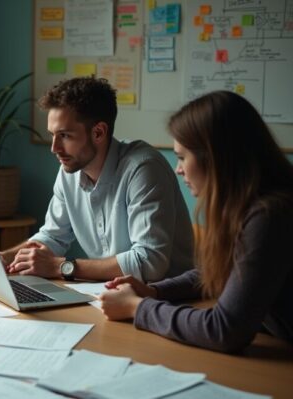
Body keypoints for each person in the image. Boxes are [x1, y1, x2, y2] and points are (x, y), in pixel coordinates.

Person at [99, 91, 293, 352]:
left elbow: (225, 330)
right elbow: (219, 271)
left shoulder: (270, 216)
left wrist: (137, 307)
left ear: (215, 158)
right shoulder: (246, 205)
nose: (178, 169)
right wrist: (153, 292)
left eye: (182, 157)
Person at [0, 76, 193, 283]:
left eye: (64, 135)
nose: (54, 147)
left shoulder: (143, 168)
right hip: (109, 294)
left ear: (98, 132)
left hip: (168, 299)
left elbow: (149, 262)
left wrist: (61, 267)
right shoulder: (70, 170)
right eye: (53, 135)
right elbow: (52, 237)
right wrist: (0, 257)